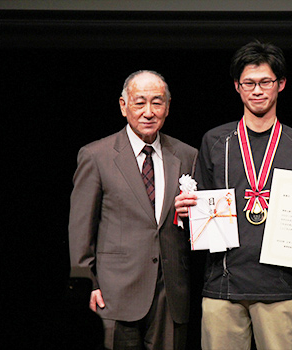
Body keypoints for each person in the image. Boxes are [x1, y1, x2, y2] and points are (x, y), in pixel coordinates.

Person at [174, 40, 292, 350]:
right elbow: (200, 215)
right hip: (222, 284)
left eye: (265, 82)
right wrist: (187, 209)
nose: (257, 90)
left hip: (281, 287)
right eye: (249, 83)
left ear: (280, 84)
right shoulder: (215, 141)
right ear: (237, 87)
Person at [69, 70, 198, 350]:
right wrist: (86, 283)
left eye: (157, 102)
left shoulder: (187, 155)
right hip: (115, 294)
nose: (149, 112)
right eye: (140, 102)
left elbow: (198, 225)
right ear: (123, 106)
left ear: (168, 106)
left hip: (170, 294)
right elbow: (81, 226)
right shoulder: (96, 156)